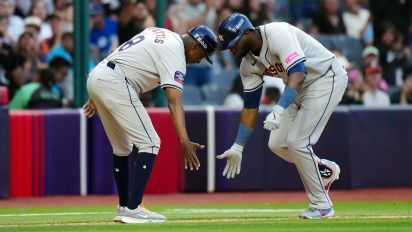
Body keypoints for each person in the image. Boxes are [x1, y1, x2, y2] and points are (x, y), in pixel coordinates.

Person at [215, 13, 348, 219]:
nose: (231, 50)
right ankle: (323, 170)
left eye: (233, 43)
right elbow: (250, 106)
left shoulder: (278, 33)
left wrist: (279, 109)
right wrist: (238, 146)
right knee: (277, 144)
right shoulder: (247, 66)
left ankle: (322, 205)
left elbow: (298, 72)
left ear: (248, 33)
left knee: (298, 142)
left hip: (325, 78)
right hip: (295, 89)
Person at [82, 25, 218, 223]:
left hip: (99, 73)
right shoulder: (176, 53)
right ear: (197, 47)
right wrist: (184, 141)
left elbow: (121, 52)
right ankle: (134, 207)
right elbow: (174, 101)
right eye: (202, 56)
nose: (198, 61)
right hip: (116, 81)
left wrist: (97, 91)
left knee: (122, 147)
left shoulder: (158, 31)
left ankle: (124, 207)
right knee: (151, 142)